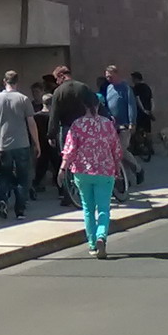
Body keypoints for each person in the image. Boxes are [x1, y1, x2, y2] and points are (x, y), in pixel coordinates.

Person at [60, 85, 122, 258]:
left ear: (84, 106)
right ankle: (102, 235)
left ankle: (92, 244)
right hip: (104, 170)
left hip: (82, 171)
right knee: (104, 208)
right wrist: (116, 166)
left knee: (88, 209)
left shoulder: (77, 125)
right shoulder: (107, 124)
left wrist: (63, 168)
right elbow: (116, 148)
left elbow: (70, 148)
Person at [0, 70, 40, 219]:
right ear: (17, 82)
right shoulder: (23, 99)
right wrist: (37, 143)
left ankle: (3, 200)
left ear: (5, 81)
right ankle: (20, 210)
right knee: (23, 177)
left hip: (3, 144)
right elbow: (31, 123)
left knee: (5, 175)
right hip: (22, 143)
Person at [45, 65, 92, 206]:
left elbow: (54, 115)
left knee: (66, 160)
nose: (56, 82)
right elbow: (96, 106)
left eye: (56, 79)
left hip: (67, 129)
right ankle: (88, 189)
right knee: (86, 159)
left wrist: (51, 135)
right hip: (84, 128)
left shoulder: (58, 92)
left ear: (62, 76)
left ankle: (68, 195)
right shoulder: (83, 87)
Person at [102, 64, 146, 198]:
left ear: (116, 74)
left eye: (110, 76)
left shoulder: (125, 88)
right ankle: (125, 177)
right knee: (115, 153)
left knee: (120, 150)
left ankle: (138, 169)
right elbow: (106, 105)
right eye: (106, 76)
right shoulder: (108, 88)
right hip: (112, 126)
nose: (108, 79)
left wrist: (132, 122)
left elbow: (131, 105)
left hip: (125, 125)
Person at [129, 70, 155, 160]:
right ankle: (150, 148)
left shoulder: (136, 88)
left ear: (136, 79)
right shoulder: (147, 87)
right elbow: (151, 99)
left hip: (140, 112)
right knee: (148, 131)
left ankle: (140, 147)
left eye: (133, 78)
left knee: (138, 130)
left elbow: (137, 99)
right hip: (148, 111)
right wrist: (151, 110)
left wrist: (143, 109)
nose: (132, 80)